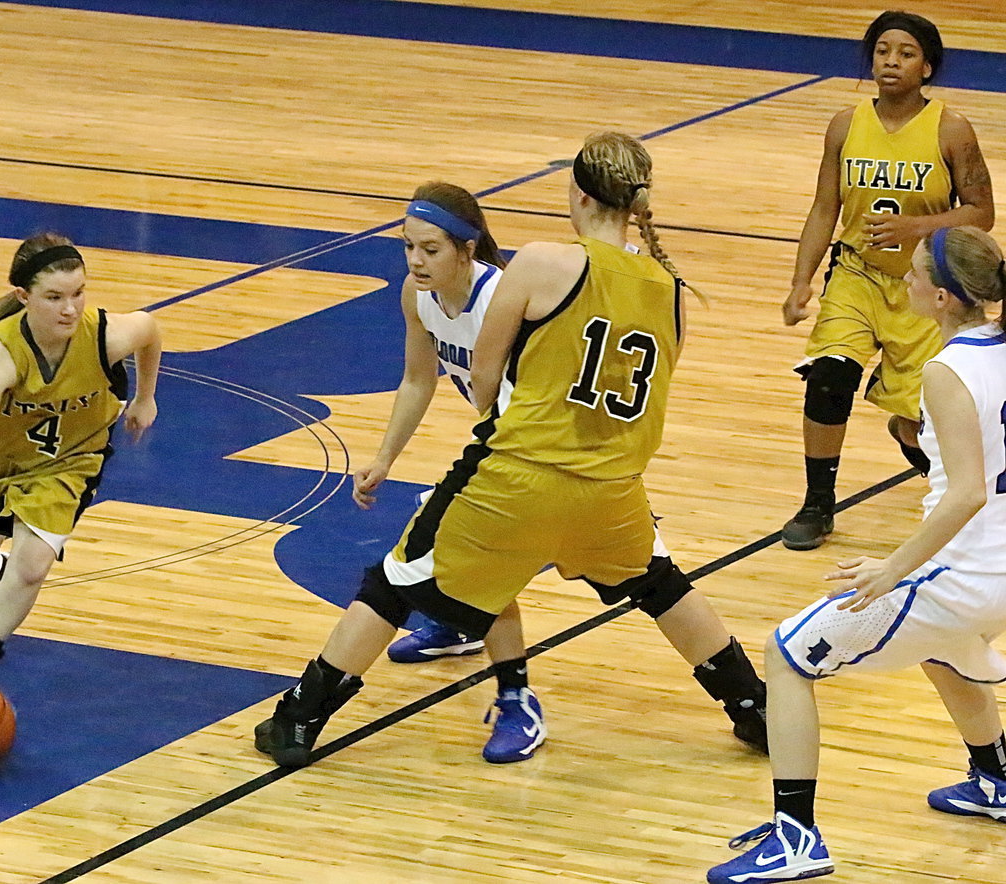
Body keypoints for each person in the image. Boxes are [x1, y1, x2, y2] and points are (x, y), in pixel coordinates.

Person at [254, 131, 767, 770]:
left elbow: (490, 377)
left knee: (392, 581)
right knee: (660, 583)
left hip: (521, 471)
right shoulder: (672, 290)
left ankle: (297, 718)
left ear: (577, 195)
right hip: (613, 480)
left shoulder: (541, 264)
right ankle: (753, 708)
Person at [710, 227, 1006, 883]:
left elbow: (966, 495)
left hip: (958, 574)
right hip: (1000, 571)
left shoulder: (947, 369)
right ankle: (995, 780)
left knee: (786, 656)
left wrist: (892, 567)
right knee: (945, 654)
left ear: (940, 293)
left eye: (915, 271)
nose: (903, 279)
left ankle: (797, 840)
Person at [780, 10, 994, 551]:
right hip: (855, 272)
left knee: (918, 421)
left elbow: (981, 211)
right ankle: (817, 503)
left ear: (927, 67)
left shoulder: (950, 128)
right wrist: (800, 281)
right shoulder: (844, 123)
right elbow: (824, 205)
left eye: (905, 53)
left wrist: (916, 226)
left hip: (926, 286)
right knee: (828, 378)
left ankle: (962, 495)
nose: (891, 62)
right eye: (882, 51)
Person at [352, 181, 549, 763]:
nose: (415, 260)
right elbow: (419, 379)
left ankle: (518, 700)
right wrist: (384, 457)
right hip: (499, 444)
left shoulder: (501, 298)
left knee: (482, 555)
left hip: (543, 452)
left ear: (467, 248)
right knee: (455, 543)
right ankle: (461, 624)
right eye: (408, 246)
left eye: (430, 249)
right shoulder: (418, 297)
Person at [0, 233, 162, 681]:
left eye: (78, 293)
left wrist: (146, 398)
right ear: (23, 297)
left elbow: (149, 330)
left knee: (32, 565)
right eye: (54, 297)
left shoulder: (104, 335)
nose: (70, 308)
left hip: (70, 459)